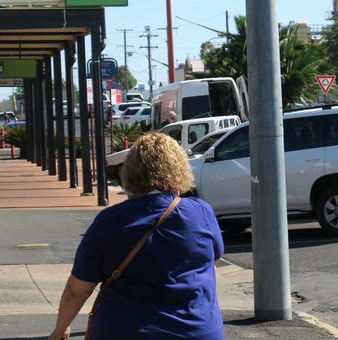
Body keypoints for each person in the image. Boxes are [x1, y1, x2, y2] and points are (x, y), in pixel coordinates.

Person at [49, 133, 224, 340]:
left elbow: (77, 289)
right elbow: (214, 257)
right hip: (197, 330)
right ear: (180, 169)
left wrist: (60, 330)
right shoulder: (202, 212)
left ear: (130, 173)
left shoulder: (110, 220)